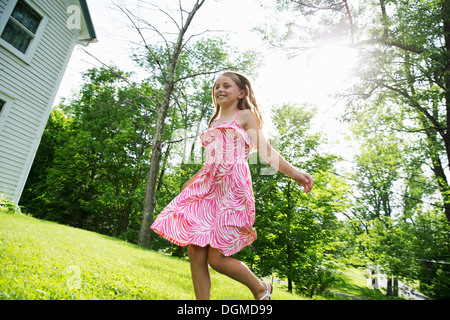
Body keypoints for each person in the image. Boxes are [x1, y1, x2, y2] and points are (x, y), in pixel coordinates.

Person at [151, 71, 314, 300]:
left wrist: (295, 174)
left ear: (241, 93)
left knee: (217, 259)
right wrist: (191, 181)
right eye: (216, 86)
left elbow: (266, 151)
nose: (220, 89)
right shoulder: (214, 122)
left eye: (226, 85)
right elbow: (211, 161)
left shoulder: (245, 116)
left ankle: (260, 288)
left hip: (232, 190)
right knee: (195, 249)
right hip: (208, 188)